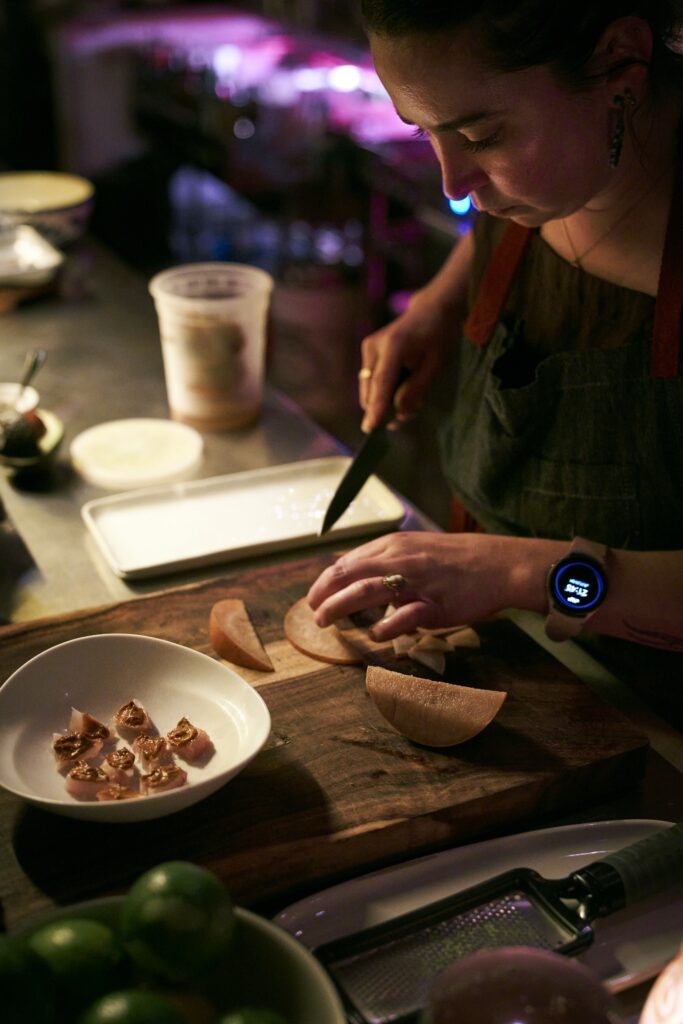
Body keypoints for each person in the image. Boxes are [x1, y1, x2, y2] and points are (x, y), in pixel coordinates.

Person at [308, 0, 683, 665]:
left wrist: (518, 573)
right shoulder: (551, 178)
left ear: (619, 64)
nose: (454, 185)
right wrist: (440, 301)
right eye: (425, 133)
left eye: (481, 136)